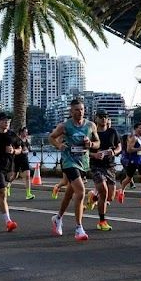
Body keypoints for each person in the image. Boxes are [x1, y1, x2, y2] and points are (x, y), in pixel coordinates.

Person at [48, 99, 100, 242]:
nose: (80, 112)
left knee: (69, 192)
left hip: (83, 162)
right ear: (71, 112)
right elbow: (51, 138)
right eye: (76, 110)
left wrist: (91, 144)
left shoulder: (90, 125)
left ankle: (57, 218)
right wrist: (59, 146)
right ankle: (79, 228)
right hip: (69, 162)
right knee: (81, 191)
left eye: (82, 109)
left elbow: (97, 143)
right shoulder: (65, 126)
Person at [89, 111, 121, 231]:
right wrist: (95, 155)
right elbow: (85, 151)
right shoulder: (93, 133)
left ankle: (94, 195)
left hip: (110, 166)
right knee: (104, 191)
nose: (104, 119)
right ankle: (102, 221)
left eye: (106, 117)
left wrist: (114, 152)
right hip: (96, 165)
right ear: (96, 119)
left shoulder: (112, 132)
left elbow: (119, 146)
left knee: (111, 197)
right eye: (101, 117)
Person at [119, 123, 141, 205]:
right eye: (140, 128)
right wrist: (139, 148)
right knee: (128, 179)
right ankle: (121, 190)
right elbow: (129, 149)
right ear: (135, 129)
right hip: (133, 161)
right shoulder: (133, 138)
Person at [11, 127, 34, 200]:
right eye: (25, 132)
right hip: (17, 159)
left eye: (27, 132)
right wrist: (23, 151)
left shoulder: (27, 140)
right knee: (15, 175)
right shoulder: (17, 140)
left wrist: (28, 150)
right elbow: (17, 150)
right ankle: (8, 186)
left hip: (25, 159)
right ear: (21, 132)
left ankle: (28, 194)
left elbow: (28, 149)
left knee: (27, 176)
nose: (26, 133)